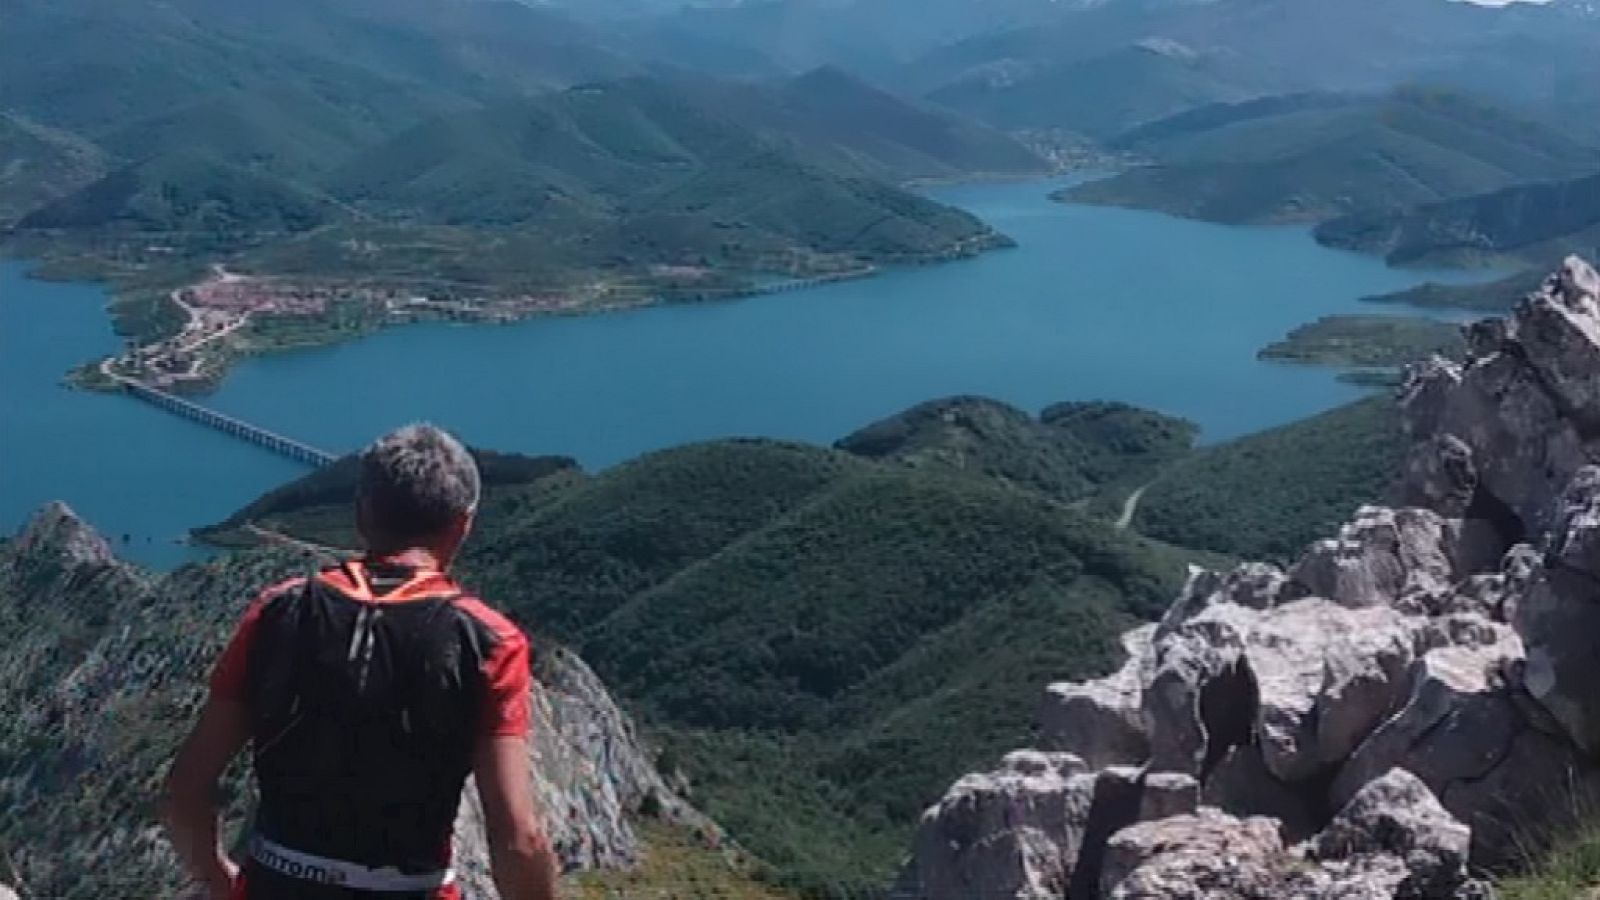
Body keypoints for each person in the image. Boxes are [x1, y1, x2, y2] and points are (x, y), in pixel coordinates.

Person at [161, 423, 559, 900]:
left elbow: (184, 791)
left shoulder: (276, 611)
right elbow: (518, 838)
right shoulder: (489, 642)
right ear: (463, 525)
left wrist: (223, 881)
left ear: (362, 513)